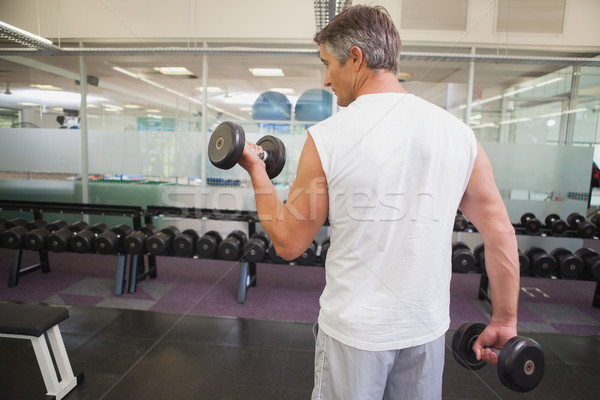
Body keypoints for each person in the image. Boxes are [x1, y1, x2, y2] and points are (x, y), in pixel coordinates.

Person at [238, 4, 520, 400]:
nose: (325, 79)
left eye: (328, 64)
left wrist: (256, 172)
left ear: (355, 58)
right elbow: (501, 233)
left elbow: (288, 242)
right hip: (425, 331)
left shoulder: (328, 137)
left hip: (354, 335)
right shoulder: (458, 135)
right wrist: (505, 319)